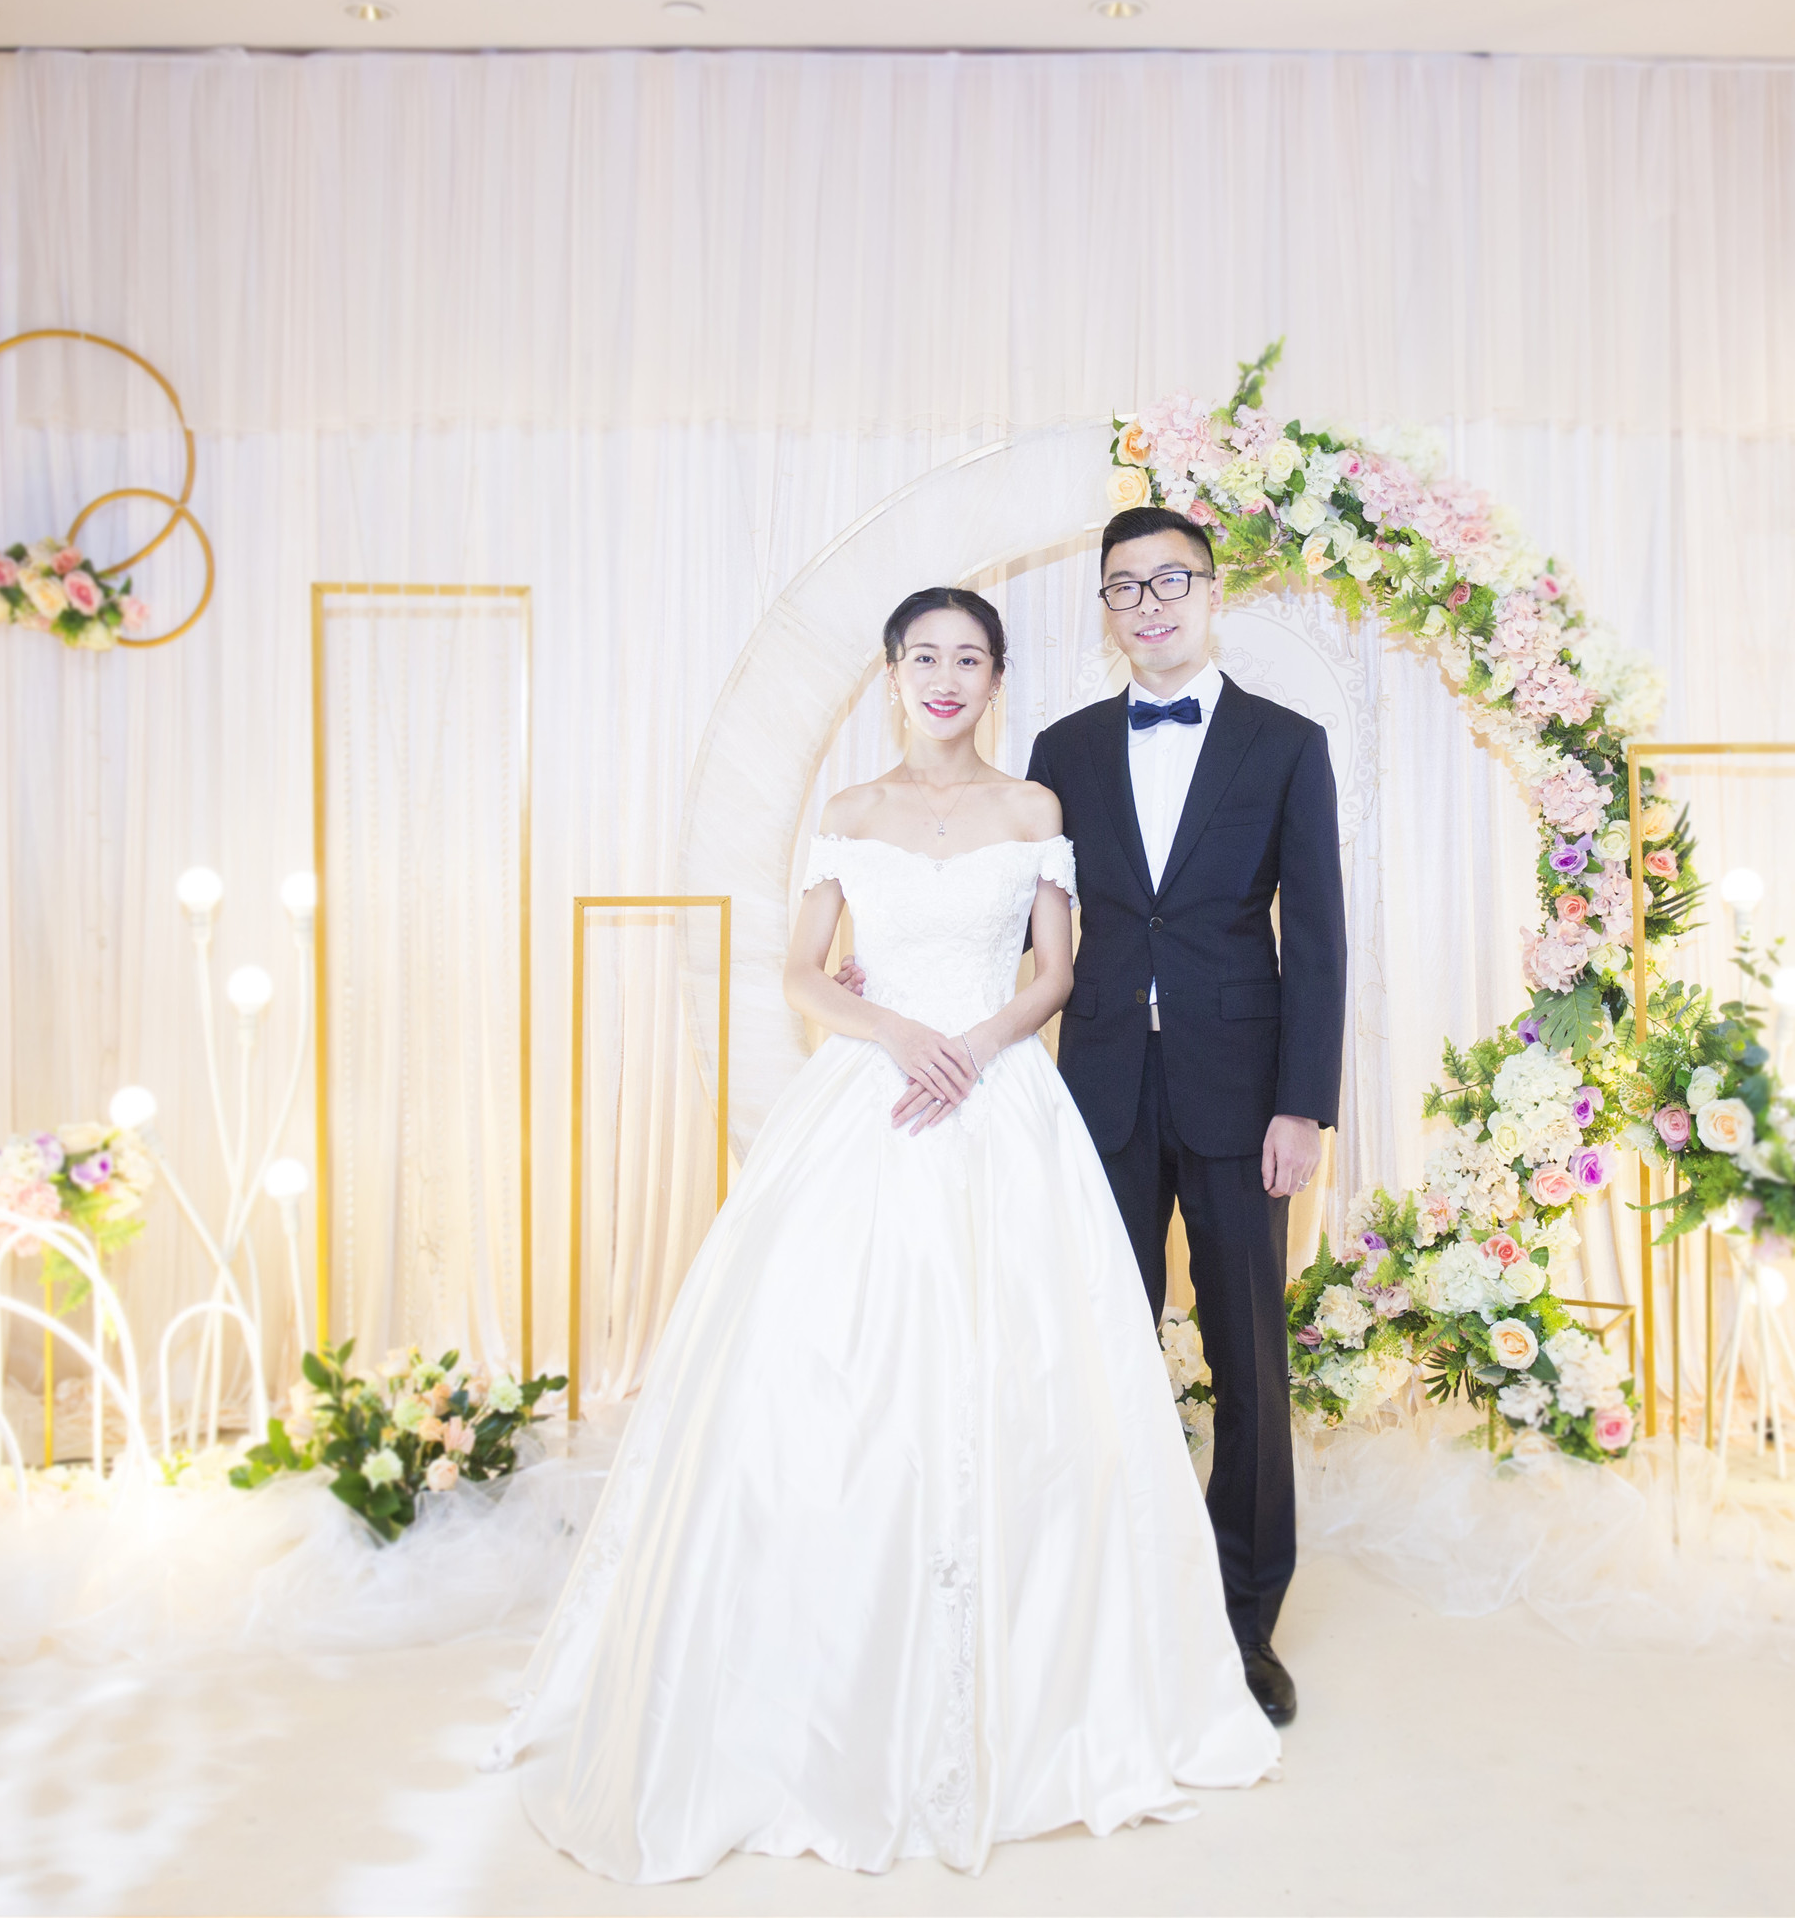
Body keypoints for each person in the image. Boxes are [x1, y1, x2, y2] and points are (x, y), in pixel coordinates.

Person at [486, 587, 1277, 1884]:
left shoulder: (1034, 810)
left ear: (997, 677)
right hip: (872, 1091)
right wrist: (896, 1033)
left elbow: (1056, 970)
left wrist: (974, 1042)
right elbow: (803, 971)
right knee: (829, 1372)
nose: (946, 676)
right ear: (893, 674)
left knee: (1033, 1371)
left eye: (970, 657)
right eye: (925, 657)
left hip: (999, 1090)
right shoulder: (849, 812)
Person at [1012, 506, 1347, 1727]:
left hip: (1241, 1091)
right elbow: (1017, 912)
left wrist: (1303, 1103)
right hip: (1097, 1083)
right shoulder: (1062, 747)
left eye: (1169, 581)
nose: (1147, 604)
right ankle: (1115, 1591)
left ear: (1212, 593)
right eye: (1124, 586)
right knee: (1104, 1344)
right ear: (1104, 608)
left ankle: (1243, 1618)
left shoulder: (1286, 743)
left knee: (1249, 1354)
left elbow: (1317, 937)